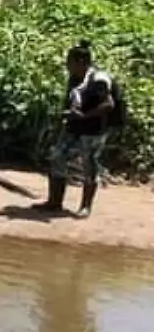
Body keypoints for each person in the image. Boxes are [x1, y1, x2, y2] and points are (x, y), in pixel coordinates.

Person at [35, 40, 116, 219]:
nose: (66, 66)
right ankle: (54, 202)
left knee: (89, 165)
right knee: (57, 157)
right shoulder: (75, 78)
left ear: (81, 63)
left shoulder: (98, 80)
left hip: (93, 130)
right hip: (74, 127)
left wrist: (84, 116)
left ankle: (85, 207)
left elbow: (108, 104)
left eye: (69, 62)